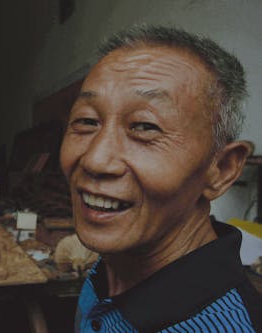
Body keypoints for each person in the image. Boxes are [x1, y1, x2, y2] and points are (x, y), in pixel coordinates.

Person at [60, 25, 262, 332]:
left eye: (144, 127)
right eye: (87, 121)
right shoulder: (114, 264)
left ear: (220, 169)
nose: (95, 159)